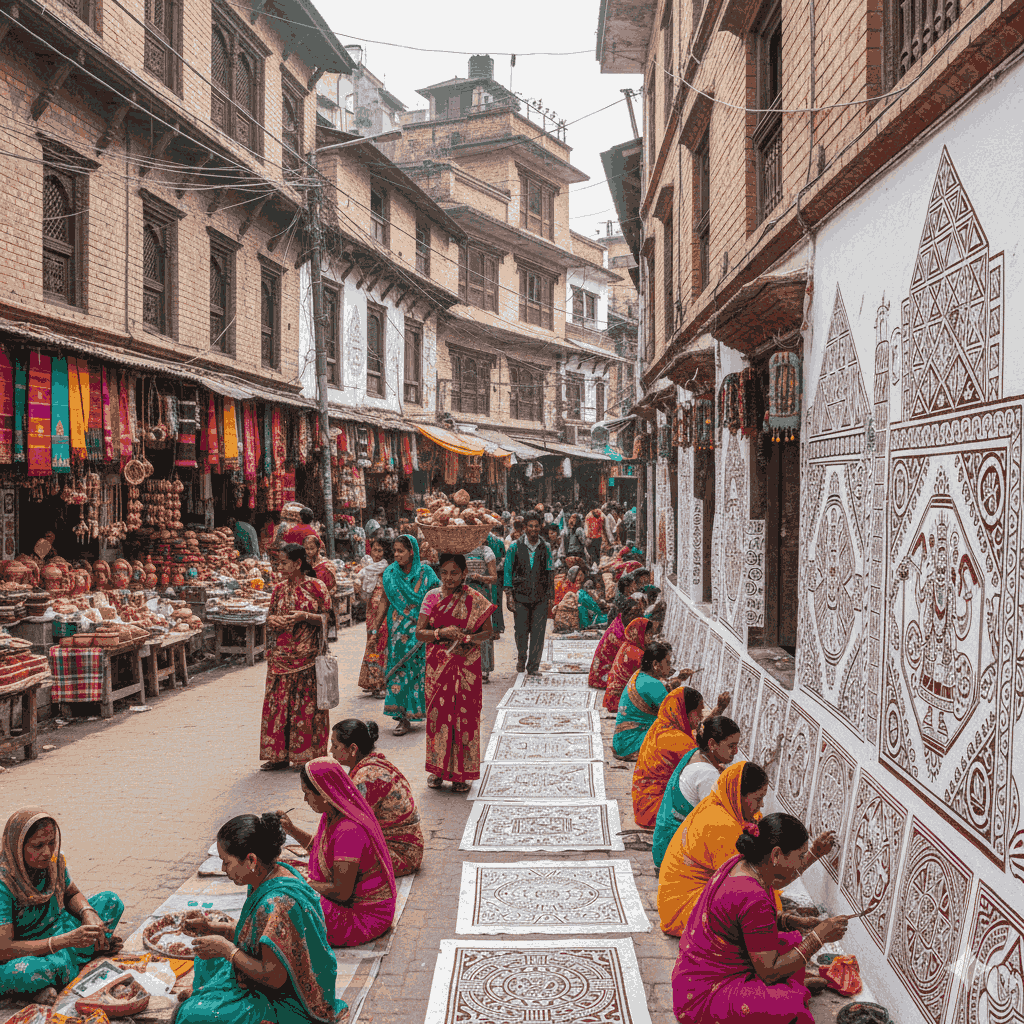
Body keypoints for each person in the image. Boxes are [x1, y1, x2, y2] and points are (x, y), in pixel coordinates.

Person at [672, 813, 850, 1024]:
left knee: (790, 941)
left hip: (693, 977)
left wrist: (789, 921)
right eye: (800, 856)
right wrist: (818, 938)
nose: (801, 861)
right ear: (776, 855)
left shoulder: (743, 864)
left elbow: (744, 919)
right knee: (788, 1007)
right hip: (703, 996)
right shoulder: (753, 895)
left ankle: (792, 984)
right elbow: (770, 972)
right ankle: (789, 988)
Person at [176, 813, 341, 1024]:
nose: (223, 869)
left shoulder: (276, 903)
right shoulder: (269, 874)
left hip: (288, 1000)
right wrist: (213, 927)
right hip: (271, 975)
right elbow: (257, 933)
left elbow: (273, 978)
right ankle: (208, 997)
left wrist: (228, 951)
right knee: (205, 955)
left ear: (251, 860)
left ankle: (205, 1002)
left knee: (191, 1016)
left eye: (226, 862)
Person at [0, 809, 124, 1004]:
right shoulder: (4, 884)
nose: (47, 852)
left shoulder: (54, 862)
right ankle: (83, 956)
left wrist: (88, 913)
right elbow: (4, 949)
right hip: (30, 951)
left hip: (63, 931)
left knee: (111, 902)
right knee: (25, 972)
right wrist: (63, 941)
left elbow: (71, 893)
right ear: (17, 848)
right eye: (38, 846)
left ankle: (64, 969)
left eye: (51, 843)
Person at [276, 759, 396, 948]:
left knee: (288, 900)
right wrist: (291, 829)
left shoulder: (349, 830)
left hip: (361, 919)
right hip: (348, 903)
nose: (305, 799)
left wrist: (306, 885)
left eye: (307, 793)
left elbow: (341, 892)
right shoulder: (332, 813)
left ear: (324, 794)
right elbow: (322, 850)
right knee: (281, 880)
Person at [417, 553, 495, 792]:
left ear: (464, 574)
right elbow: (420, 633)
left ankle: (462, 774)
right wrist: (442, 633)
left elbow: (487, 633)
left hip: (466, 666)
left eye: (454, 573)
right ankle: (437, 771)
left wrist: (468, 638)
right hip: (438, 666)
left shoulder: (475, 599)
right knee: (438, 718)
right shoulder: (431, 597)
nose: (449, 578)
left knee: (465, 718)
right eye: (444, 573)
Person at [260, 544, 331, 771]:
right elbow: (270, 616)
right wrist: (273, 621)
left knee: (305, 707)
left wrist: (305, 616)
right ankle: (277, 755)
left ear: (298, 563)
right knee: (278, 705)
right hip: (280, 658)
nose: (279, 567)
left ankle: (306, 755)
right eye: (278, 562)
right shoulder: (279, 590)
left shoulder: (316, 587)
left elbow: (328, 619)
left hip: (308, 657)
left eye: (283, 562)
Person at [330, 719, 423, 876]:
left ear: (353, 748)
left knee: (334, 862)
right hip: (409, 846)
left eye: (335, 745)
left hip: (400, 854)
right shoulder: (372, 762)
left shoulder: (366, 776)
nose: (331, 751)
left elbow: (351, 824)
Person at [653, 716, 741, 868]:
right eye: (731, 746)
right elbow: (715, 823)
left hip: (663, 842)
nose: (736, 751)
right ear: (712, 744)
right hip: (672, 853)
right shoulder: (708, 773)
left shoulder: (694, 754)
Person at [381, 535, 440, 736]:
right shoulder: (390, 574)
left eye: (401, 551)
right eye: (394, 551)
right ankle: (402, 718)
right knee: (398, 671)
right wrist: (374, 628)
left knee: (419, 671)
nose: (396, 555)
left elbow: (437, 597)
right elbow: (384, 600)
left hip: (421, 629)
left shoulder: (426, 572)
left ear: (412, 551)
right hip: (397, 630)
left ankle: (418, 712)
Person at [631, 686, 706, 828]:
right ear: (686, 712)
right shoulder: (675, 738)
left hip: (643, 804)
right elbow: (702, 766)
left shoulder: (660, 725)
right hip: (655, 810)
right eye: (699, 712)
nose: (701, 717)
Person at [503, 511, 553, 675]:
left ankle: (533, 666)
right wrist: (509, 596)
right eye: (530, 526)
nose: (533, 529)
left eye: (536, 526)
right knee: (521, 631)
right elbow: (508, 571)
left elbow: (550, 571)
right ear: (525, 528)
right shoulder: (514, 547)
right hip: (521, 596)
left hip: (540, 596)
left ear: (540, 527)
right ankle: (522, 656)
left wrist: (551, 597)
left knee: (538, 632)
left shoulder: (545, 547)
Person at [610, 635, 669, 757]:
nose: (670, 667)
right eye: (667, 662)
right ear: (656, 664)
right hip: (632, 744)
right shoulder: (654, 684)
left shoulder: (639, 675)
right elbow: (674, 715)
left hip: (621, 741)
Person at [586, 572, 641, 690]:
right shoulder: (626, 605)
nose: (635, 587)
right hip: (604, 673)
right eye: (633, 585)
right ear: (627, 587)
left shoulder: (623, 602)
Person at [605, 606, 659, 716]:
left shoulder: (628, 645)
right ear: (640, 634)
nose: (650, 637)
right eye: (648, 634)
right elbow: (648, 678)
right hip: (621, 703)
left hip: (613, 698)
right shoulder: (636, 653)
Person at [357, 533, 393, 698]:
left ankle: (382, 683)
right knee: (372, 643)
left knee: (382, 644)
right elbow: (365, 595)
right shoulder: (370, 570)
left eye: (380, 550)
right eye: (374, 550)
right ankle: (372, 681)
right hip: (371, 611)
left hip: (384, 611)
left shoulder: (389, 569)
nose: (376, 554)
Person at [464, 541, 498, 683]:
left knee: (483, 631)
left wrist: (480, 577)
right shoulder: (460, 550)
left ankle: (484, 669)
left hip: (482, 595)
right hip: (464, 596)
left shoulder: (486, 552)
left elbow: (494, 577)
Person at [485, 525, 506, 636]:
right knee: (496, 601)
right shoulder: (499, 541)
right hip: (497, 575)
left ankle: (493, 628)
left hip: (487, 574)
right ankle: (497, 628)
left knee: (490, 600)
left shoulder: (481, 539)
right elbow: (504, 558)